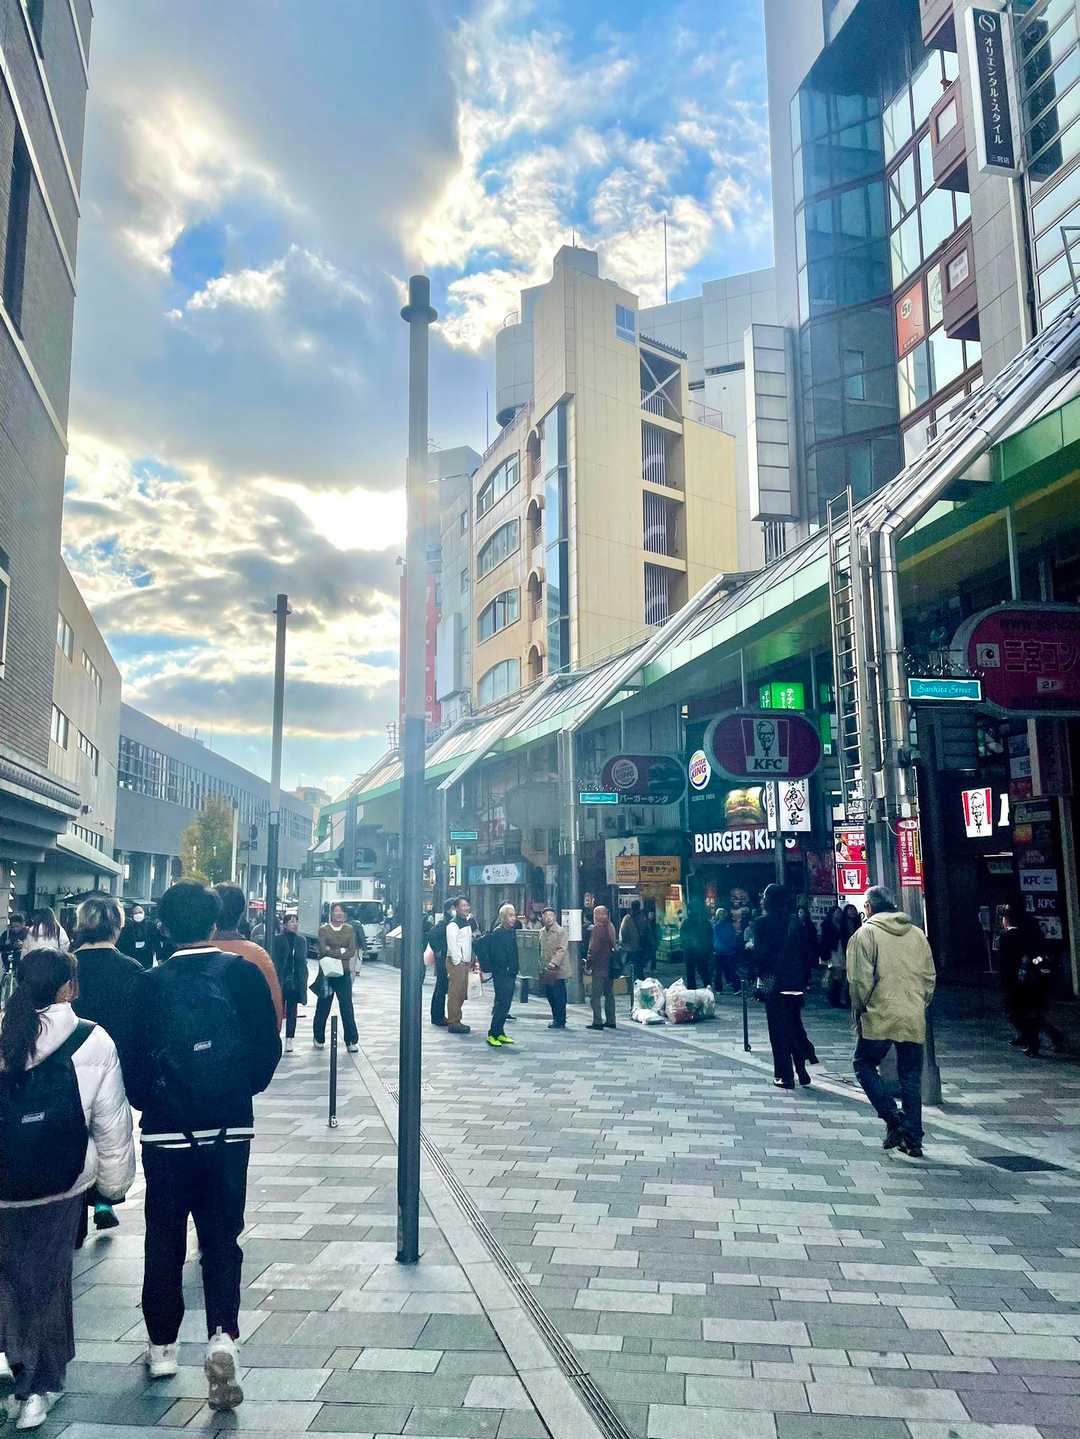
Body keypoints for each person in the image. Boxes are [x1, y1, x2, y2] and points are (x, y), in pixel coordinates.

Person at [122, 882, 280, 1411]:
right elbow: (266, 1049)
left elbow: (132, 1062)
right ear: (215, 923)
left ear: (164, 926)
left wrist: (153, 1101)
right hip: (229, 1129)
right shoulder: (242, 974)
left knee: (164, 1237)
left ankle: (162, 1348)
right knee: (222, 1236)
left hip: (167, 1133)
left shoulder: (148, 983)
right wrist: (238, 1091)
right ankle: (222, 1335)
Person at [0, 947, 134, 1429]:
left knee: (8, 1278)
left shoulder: (5, 1031)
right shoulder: (91, 1039)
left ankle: (14, 1362)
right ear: (68, 988)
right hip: (61, 1183)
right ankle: (38, 1386)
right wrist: (113, 1187)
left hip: (4, 1183)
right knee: (47, 1282)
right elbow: (111, 1123)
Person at [70, 896, 141, 1235]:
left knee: (73, 1133)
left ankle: (74, 1212)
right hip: (115, 1064)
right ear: (117, 927)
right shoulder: (131, 969)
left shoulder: (67, 965)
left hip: (69, 1064)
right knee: (108, 1133)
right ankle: (103, 1199)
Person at [848, 886, 936, 1158]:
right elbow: (929, 977)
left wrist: (859, 1009)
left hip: (879, 1014)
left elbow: (859, 981)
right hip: (912, 1013)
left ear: (869, 907)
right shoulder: (917, 934)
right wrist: (918, 1003)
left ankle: (893, 1118)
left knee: (863, 1064)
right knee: (910, 1076)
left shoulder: (865, 934)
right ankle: (914, 1138)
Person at [751, 885, 814, 1091]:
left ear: (768, 901)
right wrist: (804, 979)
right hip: (795, 983)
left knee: (778, 1030)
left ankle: (785, 1075)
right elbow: (807, 953)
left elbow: (761, 956)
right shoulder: (796, 922)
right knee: (795, 1025)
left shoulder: (761, 923)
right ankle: (801, 1068)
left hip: (774, 984)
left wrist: (757, 978)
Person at [998, 903, 1063, 1058]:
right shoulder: (1026, 933)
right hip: (1030, 979)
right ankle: (1042, 1038)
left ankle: (1035, 1042)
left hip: (1020, 980)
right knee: (1030, 1013)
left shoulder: (1009, 936)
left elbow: (1007, 962)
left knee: (1022, 1013)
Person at [213, 887, 284, 1029]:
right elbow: (275, 1015)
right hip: (247, 1038)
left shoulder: (192, 952)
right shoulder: (257, 956)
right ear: (241, 913)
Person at [314, 904, 359, 1053]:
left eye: (341, 912)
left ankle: (351, 1040)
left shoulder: (349, 929)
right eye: (336, 911)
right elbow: (322, 949)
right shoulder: (324, 929)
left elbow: (351, 951)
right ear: (331, 914)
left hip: (343, 973)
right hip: (327, 973)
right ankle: (318, 1037)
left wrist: (332, 950)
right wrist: (341, 951)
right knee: (323, 1006)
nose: (339, 914)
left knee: (347, 1007)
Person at [478, 904, 518, 1048]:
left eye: (514, 915)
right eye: (510, 915)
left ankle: (500, 1032)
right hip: (502, 974)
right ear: (503, 917)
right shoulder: (498, 933)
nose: (513, 918)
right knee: (501, 1004)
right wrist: (505, 967)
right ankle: (492, 1033)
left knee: (506, 1004)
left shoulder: (511, 932)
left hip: (510, 972)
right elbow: (497, 955)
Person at [272, 914, 308, 1054]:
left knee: (292, 1010)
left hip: (295, 981)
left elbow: (303, 962)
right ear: (285, 924)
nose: (295, 924)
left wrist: (303, 980)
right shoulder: (278, 939)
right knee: (278, 1009)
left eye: (296, 921)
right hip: (280, 979)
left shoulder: (301, 940)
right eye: (291, 922)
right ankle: (276, 1035)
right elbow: (275, 959)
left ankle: (289, 1039)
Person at [586, 903, 618, 1032]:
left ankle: (597, 1021)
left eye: (595, 914)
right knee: (609, 994)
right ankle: (611, 1020)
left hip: (599, 966)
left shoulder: (598, 928)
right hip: (610, 966)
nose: (594, 917)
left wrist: (588, 963)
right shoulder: (610, 926)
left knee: (595, 996)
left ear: (599, 915)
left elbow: (593, 948)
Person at [444, 897, 474, 1036]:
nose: (466, 908)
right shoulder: (453, 924)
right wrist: (458, 961)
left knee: (461, 992)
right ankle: (453, 1022)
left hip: (464, 962)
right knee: (455, 993)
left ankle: (457, 1019)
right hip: (457, 962)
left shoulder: (466, 922)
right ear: (456, 908)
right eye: (463, 905)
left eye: (467, 905)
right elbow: (452, 944)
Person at [539, 906, 570, 1029]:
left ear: (555, 917)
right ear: (542, 918)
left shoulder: (561, 931)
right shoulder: (542, 931)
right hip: (547, 969)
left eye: (551, 915)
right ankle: (555, 1017)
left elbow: (562, 949)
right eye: (546, 916)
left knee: (559, 995)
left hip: (558, 969)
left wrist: (554, 962)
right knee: (549, 994)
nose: (549, 918)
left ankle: (560, 1020)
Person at [427, 900, 454, 1028]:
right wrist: (438, 950)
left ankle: (438, 1015)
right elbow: (431, 935)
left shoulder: (450, 923)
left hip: (445, 958)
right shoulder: (443, 924)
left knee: (442, 988)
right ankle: (438, 1017)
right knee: (441, 988)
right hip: (442, 960)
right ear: (448, 910)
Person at [680, 899, 713, 991]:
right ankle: (708, 988)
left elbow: (683, 937)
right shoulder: (705, 922)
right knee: (704, 971)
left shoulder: (687, 922)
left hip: (691, 951)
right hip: (702, 951)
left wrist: (686, 946)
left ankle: (692, 990)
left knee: (691, 972)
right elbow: (710, 937)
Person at [820, 905, 847, 1008]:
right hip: (832, 951)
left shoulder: (842, 924)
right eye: (836, 912)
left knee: (840, 974)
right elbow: (825, 940)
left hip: (840, 949)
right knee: (835, 973)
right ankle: (833, 998)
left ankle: (836, 998)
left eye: (839, 912)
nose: (838, 914)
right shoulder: (827, 925)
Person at [117, 905, 159, 969]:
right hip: (131, 955)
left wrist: (158, 957)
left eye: (140, 912)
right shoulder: (126, 927)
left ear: (144, 913)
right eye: (136, 913)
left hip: (146, 955)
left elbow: (156, 941)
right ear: (132, 915)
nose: (138, 914)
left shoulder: (150, 925)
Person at [711, 906, 742, 992]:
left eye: (722, 914)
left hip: (724, 951)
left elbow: (730, 936)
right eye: (720, 914)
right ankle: (732, 987)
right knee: (722, 971)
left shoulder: (721, 925)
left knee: (726, 970)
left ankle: (727, 987)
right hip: (723, 951)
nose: (722, 916)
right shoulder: (719, 926)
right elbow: (727, 937)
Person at [619, 902, 644, 983]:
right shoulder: (642, 917)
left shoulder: (627, 918)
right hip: (639, 946)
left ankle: (632, 981)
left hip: (630, 947)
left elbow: (623, 932)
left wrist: (624, 942)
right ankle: (639, 981)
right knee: (638, 967)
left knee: (631, 965)